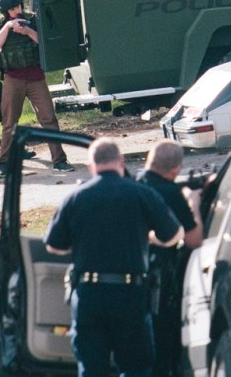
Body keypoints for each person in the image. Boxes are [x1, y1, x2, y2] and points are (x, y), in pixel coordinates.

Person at [44, 138, 184, 377]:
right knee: (135, 367)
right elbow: (174, 234)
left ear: (91, 166)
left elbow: (53, 245)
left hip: (89, 295)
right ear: (120, 161)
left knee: (91, 369)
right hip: (130, 295)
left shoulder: (76, 198)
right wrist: (148, 237)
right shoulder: (141, 194)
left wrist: (81, 243)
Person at [0, 0, 73, 178]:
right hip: (13, 78)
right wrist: (9, 27)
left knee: (48, 119)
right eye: (13, 8)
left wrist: (27, 30)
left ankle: (59, 160)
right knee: (9, 122)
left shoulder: (33, 20)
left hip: (36, 77)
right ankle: (3, 162)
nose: (18, 10)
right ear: (5, 11)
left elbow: (44, 44)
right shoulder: (0, 23)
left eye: (19, 6)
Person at [139, 139, 203, 377]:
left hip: (132, 277)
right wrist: (193, 201)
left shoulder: (132, 186)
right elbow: (194, 239)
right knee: (163, 342)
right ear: (175, 170)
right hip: (161, 279)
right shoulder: (170, 192)